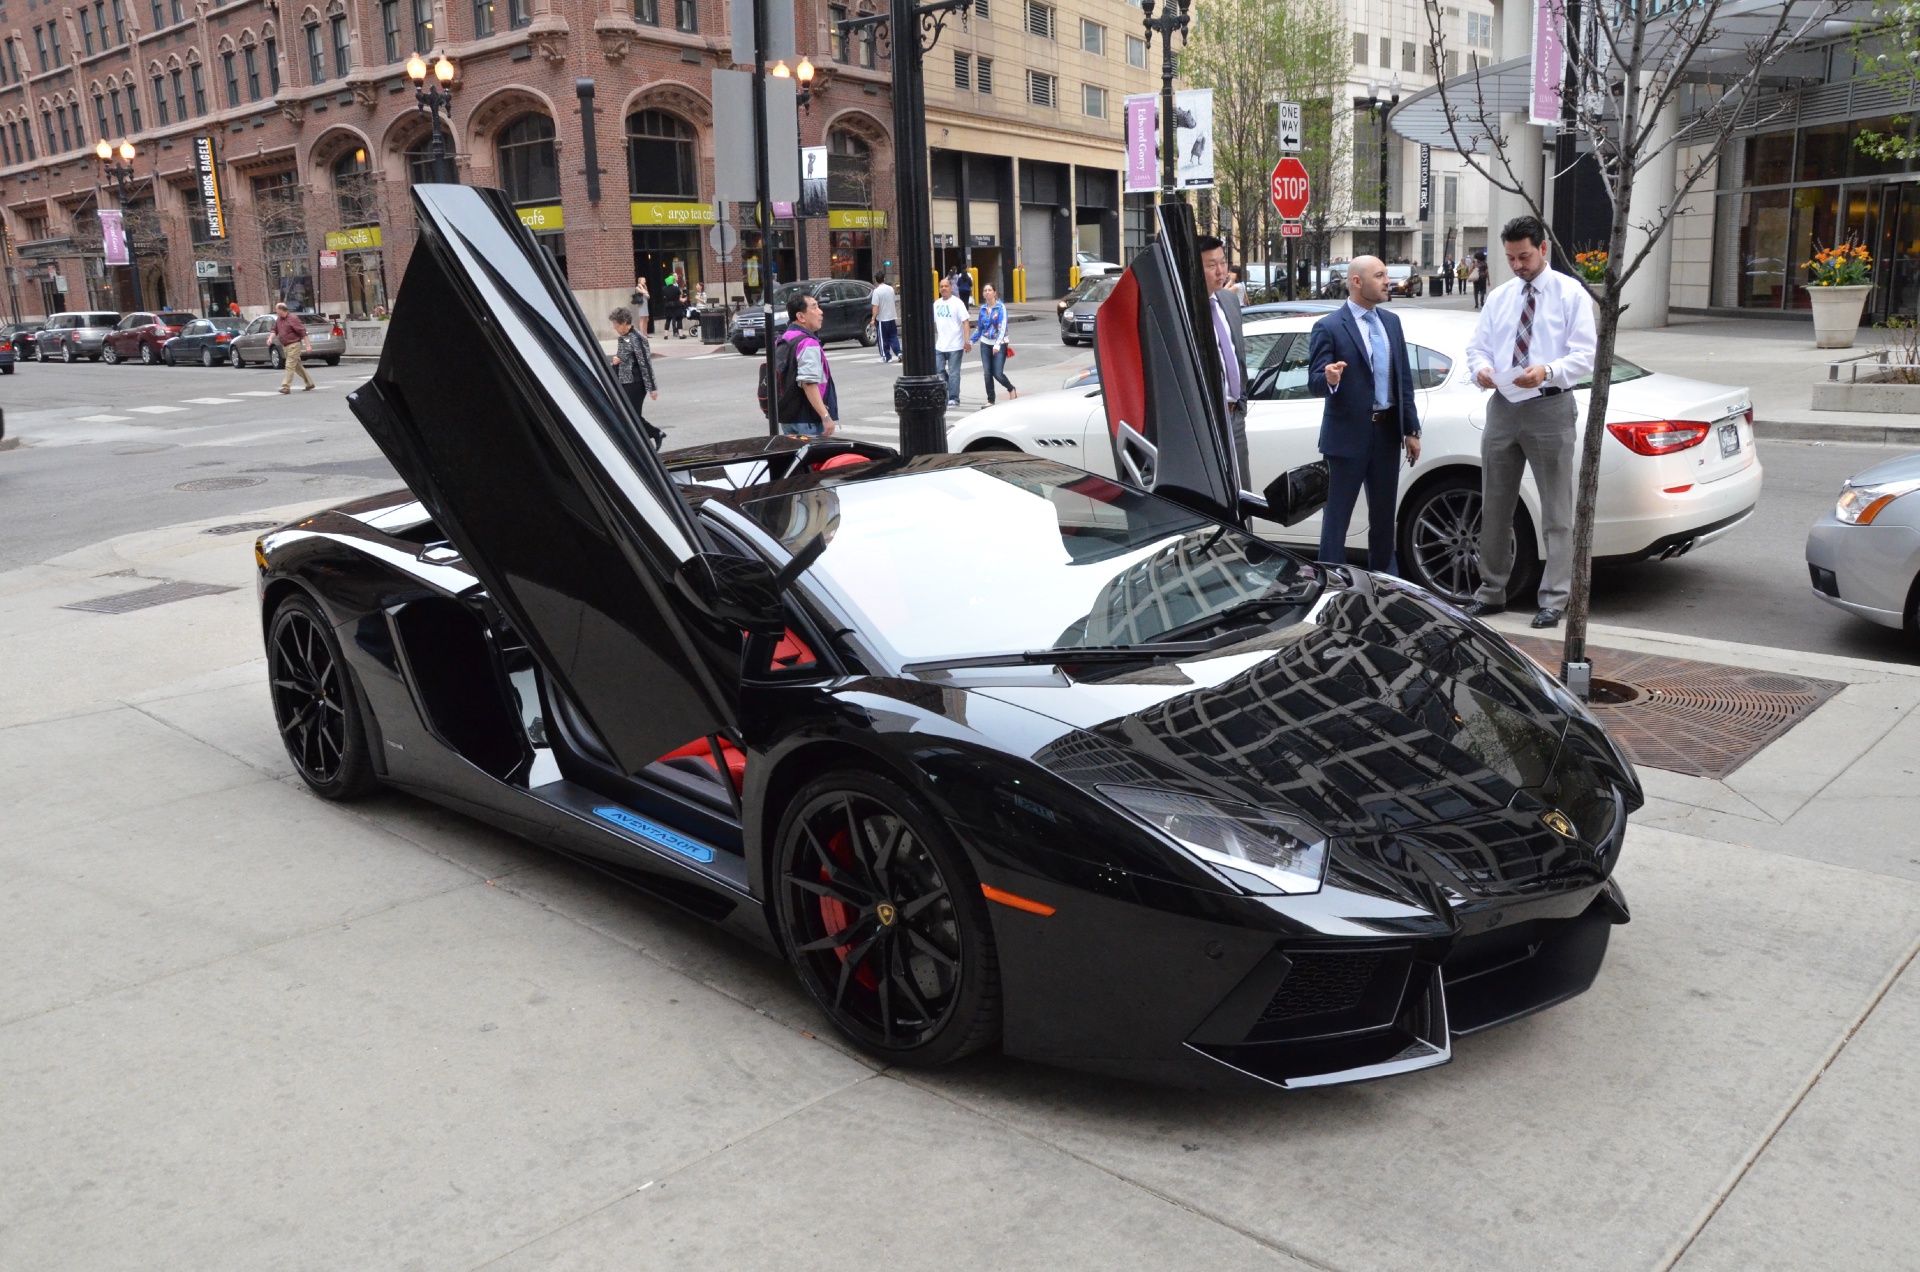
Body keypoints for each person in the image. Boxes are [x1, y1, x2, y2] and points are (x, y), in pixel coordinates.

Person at [1462, 215, 1597, 628]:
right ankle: (1491, 592)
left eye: (1523, 256)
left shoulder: (1570, 294)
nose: (1518, 265)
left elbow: (1585, 354)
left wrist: (1548, 371)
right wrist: (1481, 370)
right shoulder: (1500, 297)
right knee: (1495, 505)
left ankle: (1555, 599)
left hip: (1549, 407)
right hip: (1503, 405)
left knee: (1556, 510)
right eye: (1510, 258)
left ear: (1543, 249)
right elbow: (1477, 347)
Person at [1307, 256, 1422, 572]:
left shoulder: (1391, 323)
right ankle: (1331, 580)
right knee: (1337, 518)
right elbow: (1314, 381)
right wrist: (1329, 378)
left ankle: (1385, 582)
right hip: (1346, 439)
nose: (1388, 281)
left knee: (1384, 517)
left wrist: (1411, 430)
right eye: (1380, 275)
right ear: (1357, 281)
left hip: (1386, 434)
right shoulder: (1329, 327)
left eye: (1386, 275)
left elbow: (1403, 381)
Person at [1196, 235, 1250, 488]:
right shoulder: (1186, 310)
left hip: (1235, 413)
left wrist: (1242, 402)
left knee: (1243, 492)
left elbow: (1239, 355)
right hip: (1207, 418)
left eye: (1223, 262)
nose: (1221, 271)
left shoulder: (1228, 300)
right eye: (1211, 265)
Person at [775, 291, 838, 437]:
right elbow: (808, 383)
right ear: (801, 316)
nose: (820, 312)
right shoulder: (808, 343)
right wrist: (825, 416)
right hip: (808, 418)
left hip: (789, 416)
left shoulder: (784, 338)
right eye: (814, 308)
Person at [608, 307, 663, 446]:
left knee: (631, 416)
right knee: (629, 415)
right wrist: (617, 359)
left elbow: (645, 364)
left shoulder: (638, 339)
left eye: (616, 324)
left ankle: (647, 439)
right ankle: (653, 435)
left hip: (636, 383)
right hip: (624, 381)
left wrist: (652, 389)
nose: (614, 327)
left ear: (625, 322)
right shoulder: (624, 337)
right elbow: (626, 356)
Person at [976, 283, 1017, 405]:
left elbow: (1002, 327)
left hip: (999, 344)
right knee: (987, 373)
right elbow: (979, 327)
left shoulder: (1001, 308)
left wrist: (997, 345)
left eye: (989, 290)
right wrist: (971, 341)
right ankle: (991, 399)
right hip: (985, 343)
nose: (987, 292)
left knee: (997, 373)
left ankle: (1011, 388)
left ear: (994, 292)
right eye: (985, 290)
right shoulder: (983, 309)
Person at [932, 278, 972, 407]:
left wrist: (967, 341)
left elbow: (965, 322)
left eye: (946, 286)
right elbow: (933, 323)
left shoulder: (957, 303)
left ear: (951, 288)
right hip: (940, 345)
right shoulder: (936, 304)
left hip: (955, 345)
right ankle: (950, 389)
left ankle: (954, 398)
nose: (943, 288)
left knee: (954, 373)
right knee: (939, 370)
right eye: (941, 286)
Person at [271, 302, 313, 394]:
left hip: (294, 345)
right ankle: (309, 383)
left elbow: (303, 332)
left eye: (276, 309)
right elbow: (274, 330)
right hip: (286, 346)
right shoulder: (279, 319)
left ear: (281, 309)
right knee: (297, 367)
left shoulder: (293, 319)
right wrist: (270, 338)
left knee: (289, 365)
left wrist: (308, 345)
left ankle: (286, 386)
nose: (275, 310)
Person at [870, 271, 900, 363]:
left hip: (882, 318)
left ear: (875, 280)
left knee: (883, 339)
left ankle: (886, 356)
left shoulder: (876, 291)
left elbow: (876, 306)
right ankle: (899, 352)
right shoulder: (890, 289)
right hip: (892, 316)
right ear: (884, 279)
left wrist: (873, 318)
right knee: (893, 336)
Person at [661, 273, 684, 339]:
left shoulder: (664, 289)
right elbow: (679, 295)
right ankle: (680, 334)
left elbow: (664, 296)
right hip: (676, 304)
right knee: (679, 319)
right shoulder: (676, 288)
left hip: (668, 305)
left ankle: (666, 335)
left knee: (668, 319)